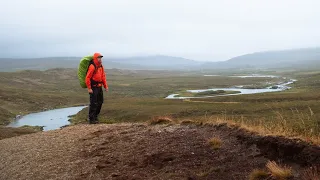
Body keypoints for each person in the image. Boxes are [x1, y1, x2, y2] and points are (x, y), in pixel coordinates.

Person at [85, 53, 108, 124]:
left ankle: (95, 117)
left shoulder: (101, 66)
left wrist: (105, 86)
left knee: (100, 102)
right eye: (99, 58)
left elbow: (103, 76)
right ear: (95, 58)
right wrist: (89, 88)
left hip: (99, 87)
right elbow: (87, 78)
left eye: (101, 58)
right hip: (93, 87)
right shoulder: (92, 66)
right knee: (93, 103)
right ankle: (91, 119)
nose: (100, 59)